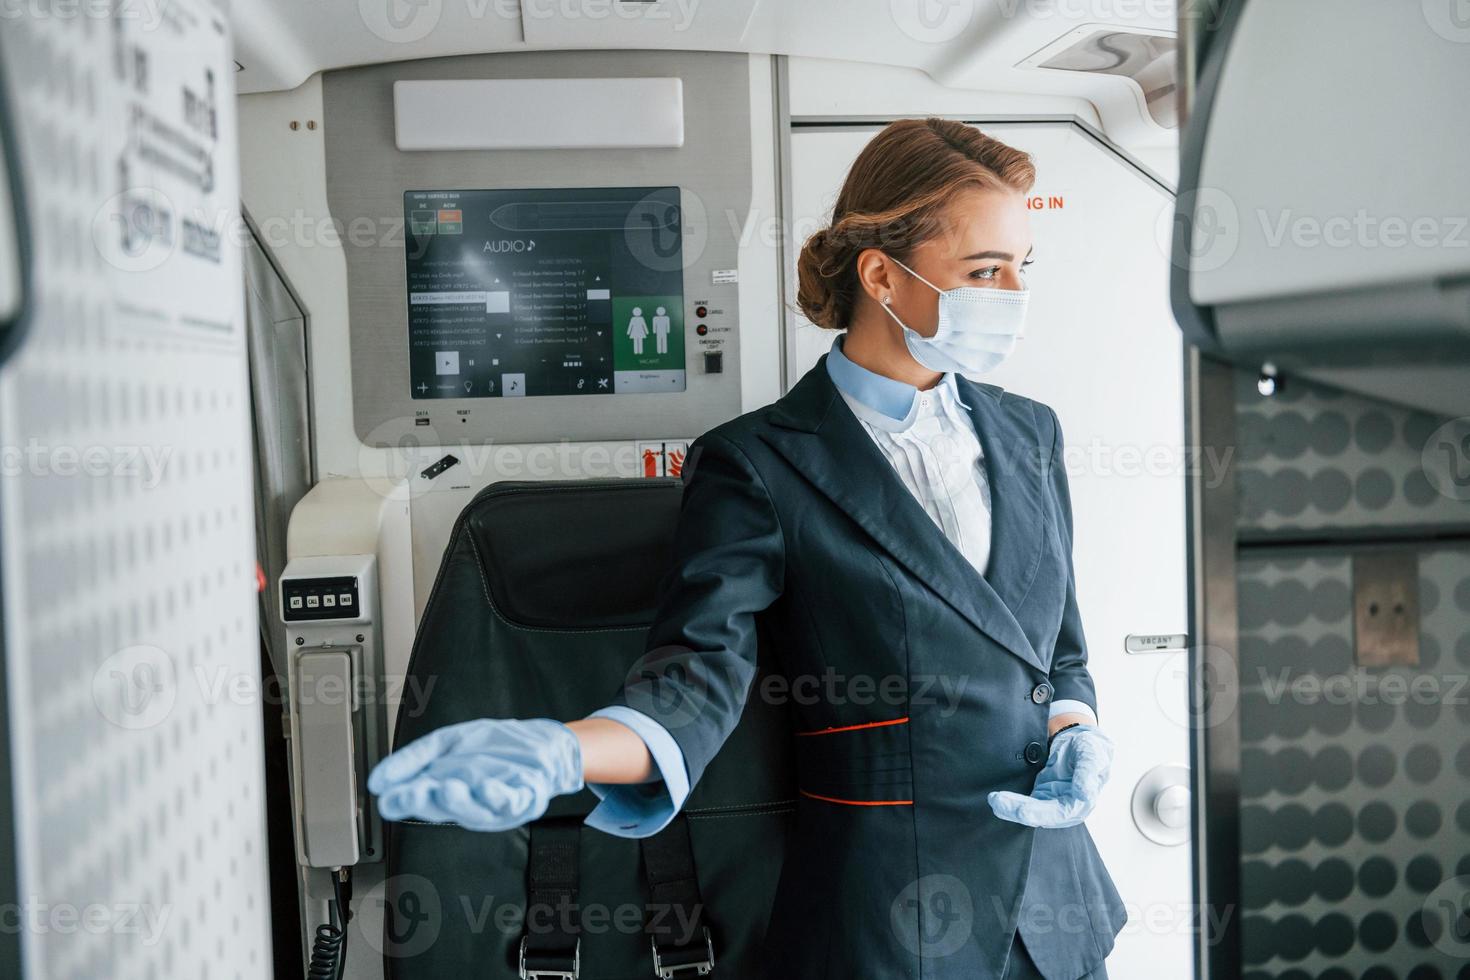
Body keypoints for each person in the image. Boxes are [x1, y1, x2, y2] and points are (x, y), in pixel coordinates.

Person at [368, 118, 1125, 979]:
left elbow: (1056, 650)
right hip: (892, 924)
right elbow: (697, 676)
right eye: (987, 271)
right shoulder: (759, 462)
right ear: (883, 275)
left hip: (1056, 915)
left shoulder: (1032, 433)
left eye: (1024, 267)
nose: (1015, 293)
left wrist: (1075, 728)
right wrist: (567, 750)